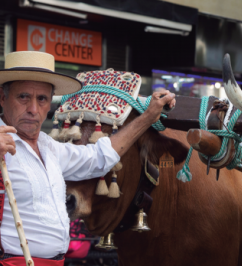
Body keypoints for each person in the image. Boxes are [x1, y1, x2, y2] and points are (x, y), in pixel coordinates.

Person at [0, 51, 175, 265]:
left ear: (49, 105)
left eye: (42, 98)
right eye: (23, 97)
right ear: (2, 98)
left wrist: (147, 118)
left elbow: (99, 157)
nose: (33, 109)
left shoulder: (50, 147)